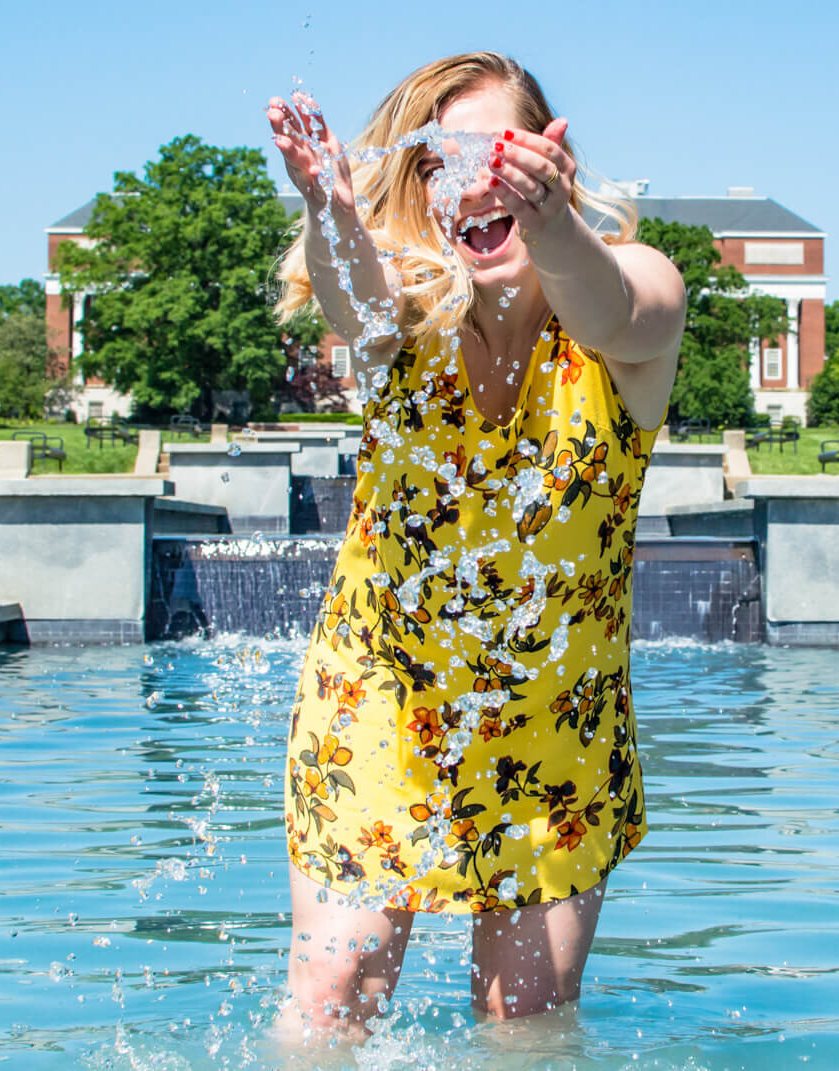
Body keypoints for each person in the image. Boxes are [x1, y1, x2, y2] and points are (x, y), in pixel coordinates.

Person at [266, 51, 684, 1038]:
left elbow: (605, 305)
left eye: (497, 150)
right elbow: (352, 297)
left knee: (524, 1019)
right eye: (440, 162)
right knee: (333, 1003)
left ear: (552, 163)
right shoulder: (405, 319)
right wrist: (329, 206)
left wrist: (549, 226)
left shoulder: (637, 293)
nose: (474, 179)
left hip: (556, 714)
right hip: (381, 697)